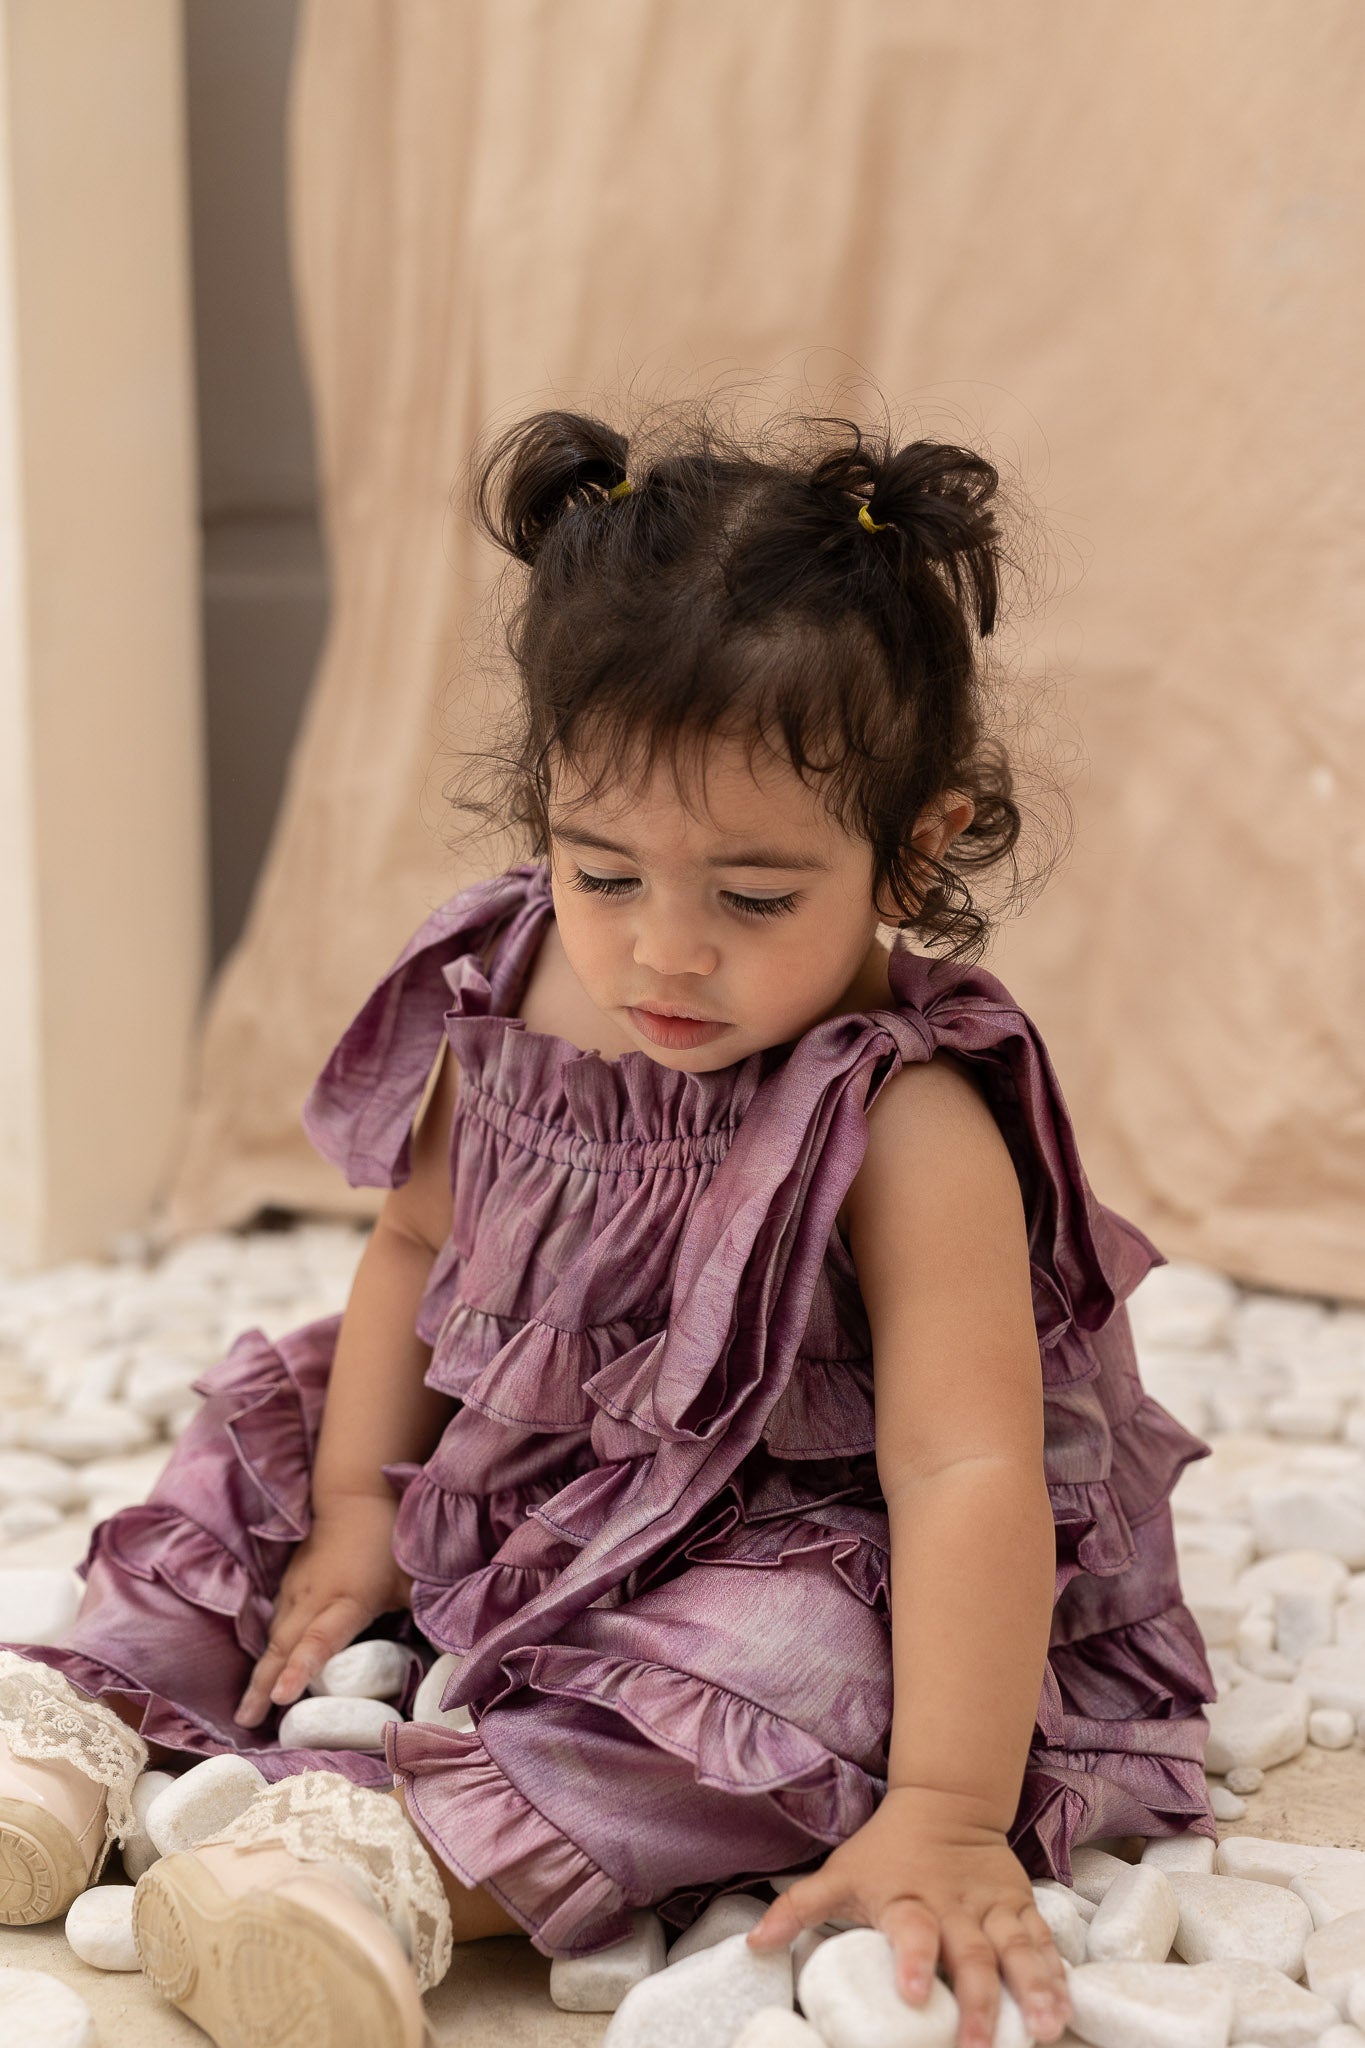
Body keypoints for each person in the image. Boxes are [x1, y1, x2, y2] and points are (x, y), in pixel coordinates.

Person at [0, 403, 1218, 2048]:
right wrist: (356, 1510)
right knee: (256, 1448)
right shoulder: (515, 986)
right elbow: (416, 1251)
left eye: (753, 897)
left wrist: (945, 1803)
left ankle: (380, 1859)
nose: (665, 953)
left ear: (910, 850)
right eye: (605, 873)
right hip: (508, 1468)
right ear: (547, 816)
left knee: (803, 1672)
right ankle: (79, 1727)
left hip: (770, 1529)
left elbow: (963, 1471)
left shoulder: (905, 1122)